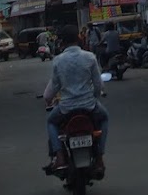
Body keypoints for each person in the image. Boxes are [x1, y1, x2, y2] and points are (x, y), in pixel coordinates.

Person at [43, 24, 109, 172]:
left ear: (62, 42)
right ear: (78, 38)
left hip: (66, 108)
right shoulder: (89, 57)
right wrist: (95, 97)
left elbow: (52, 88)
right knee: (104, 118)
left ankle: (59, 156)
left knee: (51, 122)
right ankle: (99, 158)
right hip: (89, 106)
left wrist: (48, 99)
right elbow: (98, 85)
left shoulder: (58, 61)